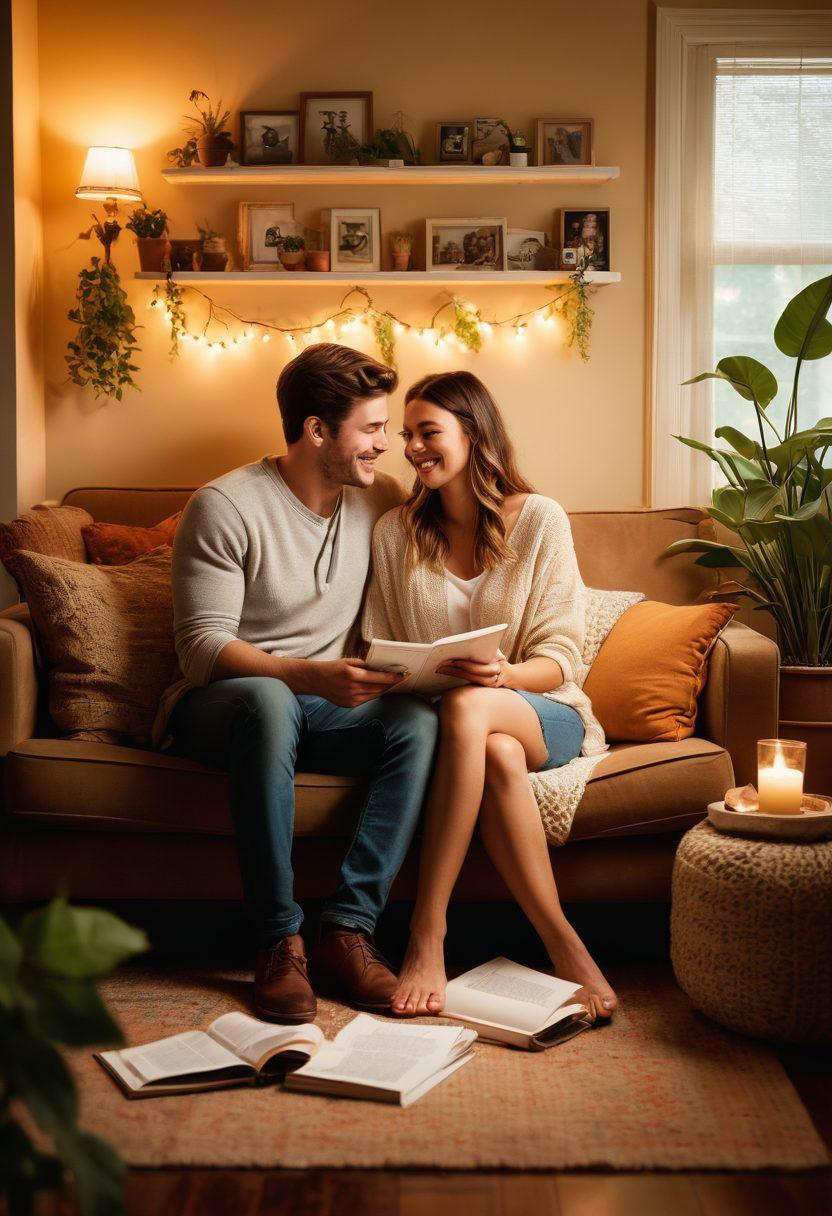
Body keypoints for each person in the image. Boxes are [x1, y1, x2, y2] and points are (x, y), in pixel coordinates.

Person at [153, 344, 439, 1024]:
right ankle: (279, 940)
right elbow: (200, 649)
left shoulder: (381, 502)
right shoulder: (224, 505)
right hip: (224, 706)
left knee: (416, 723)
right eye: (371, 429)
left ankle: (346, 931)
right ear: (318, 431)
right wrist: (302, 673)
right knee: (268, 699)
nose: (385, 446)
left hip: (323, 707)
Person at [361, 370, 618, 1022]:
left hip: (545, 712)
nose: (413, 448)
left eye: (429, 433)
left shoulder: (538, 520)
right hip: (450, 720)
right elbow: (379, 639)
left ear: (474, 436)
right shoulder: (394, 531)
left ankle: (428, 928)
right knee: (494, 752)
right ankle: (566, 946)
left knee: (474, 709)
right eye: (406, 435)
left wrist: (504, 677)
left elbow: (562, 658)